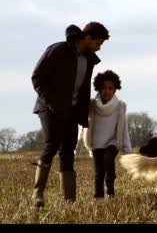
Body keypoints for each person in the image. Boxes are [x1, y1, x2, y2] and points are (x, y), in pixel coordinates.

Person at [31, 22, 109, 207]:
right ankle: (37, 195)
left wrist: (82, 113)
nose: (99, 48)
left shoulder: (89, 59)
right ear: (87, 38)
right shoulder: (58, 50)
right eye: (98, 43)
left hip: (71, 112)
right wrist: (52, 104)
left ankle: (69, 202)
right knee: (51, 145)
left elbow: (81, 88)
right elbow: (37, 78)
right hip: (49, 108)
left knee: (68, 153)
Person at [80, 70, 132, 198]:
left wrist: (127, 148)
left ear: (115, 90)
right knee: (99, 172)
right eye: (103, 88)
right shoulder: (92, 106)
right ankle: (98, 196)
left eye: (110, 88)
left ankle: (110, 191)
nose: (107, 91)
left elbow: (123, 128)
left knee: (108, 161)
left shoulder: (120, 106)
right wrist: (78, 147)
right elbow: (84, 127)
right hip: (96, 144)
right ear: (98, 89)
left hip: (113, 142)